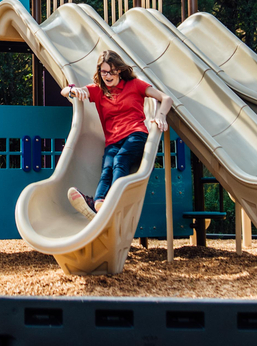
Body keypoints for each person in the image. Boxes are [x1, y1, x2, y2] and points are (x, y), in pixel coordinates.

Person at [61, 50, 173, 219]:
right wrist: (73, 91)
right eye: (104, 71)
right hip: (113, 141)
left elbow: (166, 98)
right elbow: (64, 92)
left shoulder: (135, 85)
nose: (107, 76)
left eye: (111, 71)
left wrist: (161, 114)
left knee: (120, 160)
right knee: (107, 169)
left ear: (119, 70)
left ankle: (112, 202)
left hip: (135, 135)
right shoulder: (99, 90)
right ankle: (98, 204)